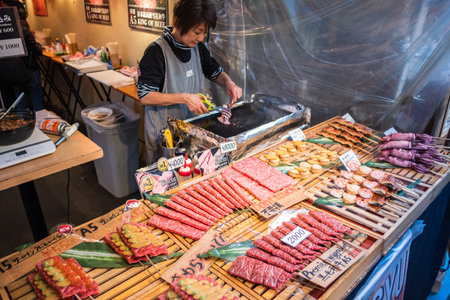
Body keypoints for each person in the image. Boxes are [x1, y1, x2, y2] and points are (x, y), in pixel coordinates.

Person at [137, 0, 242, 163]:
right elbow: (145, 96)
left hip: (193, 131)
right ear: (179, 23)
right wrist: (184, 98)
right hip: (166, 136)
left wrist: (229, 83)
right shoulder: (156, 52)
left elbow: (215, 72)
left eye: (204, 32)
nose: (200, 38)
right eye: (197, 31)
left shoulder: (198, 48)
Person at [0, 0, 45, 111]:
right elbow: (35, 48)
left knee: (20, 102)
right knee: (37, 104)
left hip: (12, 71)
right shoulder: (20, 23)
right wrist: (40, 46)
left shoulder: (4, 27)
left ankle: (22, 126)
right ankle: (41, 126)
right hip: (28, 68)